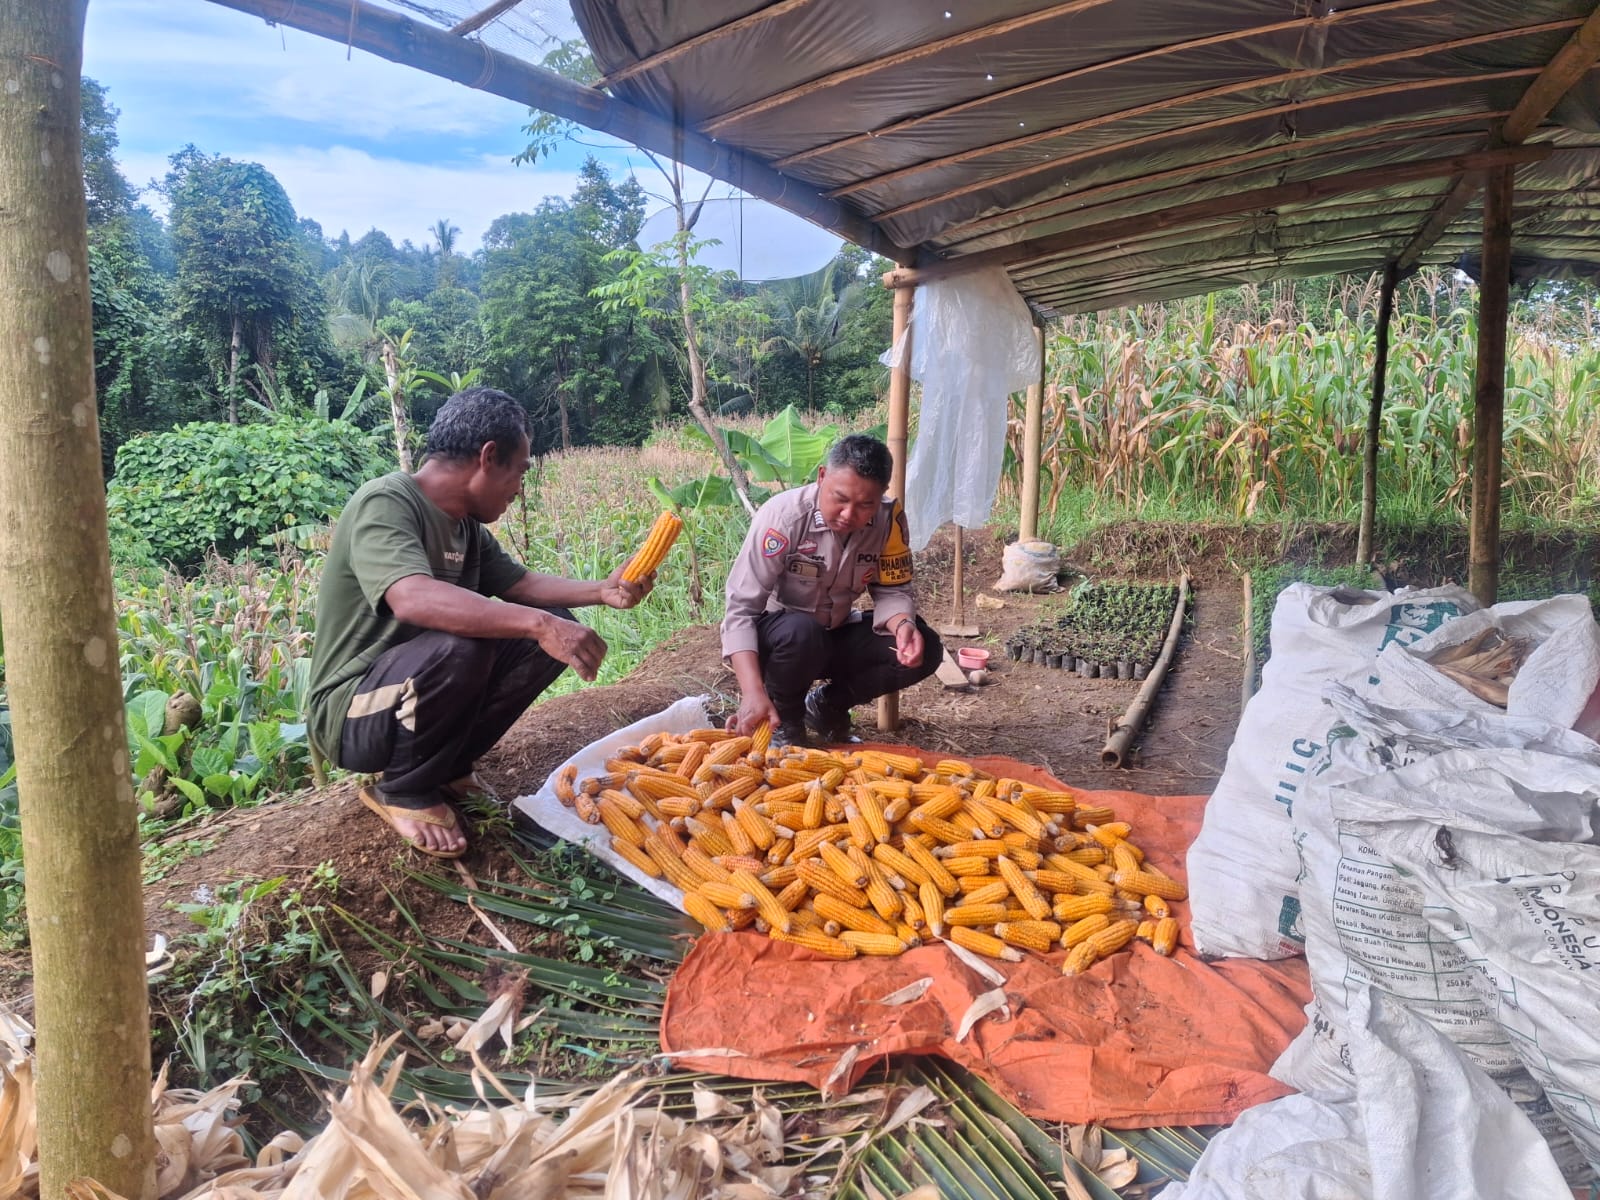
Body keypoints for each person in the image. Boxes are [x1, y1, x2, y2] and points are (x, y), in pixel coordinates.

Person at [307, 386, 652, 857]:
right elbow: (411, 597)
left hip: (410, 692)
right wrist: (538, 625)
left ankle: (448, 766)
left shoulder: (466, 528)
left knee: (544, 628)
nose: (520, 488)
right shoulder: (387, 502)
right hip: (351, 713)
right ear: (488, 457)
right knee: (470, 643)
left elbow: (520, 584)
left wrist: (601, 591)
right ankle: (404, 788)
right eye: (521, 471)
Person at [722, 434, 941, 747]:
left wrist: (903, 625)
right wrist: (752, 692)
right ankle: (785, 721)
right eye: (840, 498)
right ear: (822, 476)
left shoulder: (888, 521)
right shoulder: (783, 518)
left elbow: (892, 590)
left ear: (881, 495)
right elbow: (740, 610)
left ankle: (827, 705)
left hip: (832, 634)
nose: (849, 514)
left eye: (865, 505)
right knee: (801, 632)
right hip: (780, 643)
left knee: (927, 647)